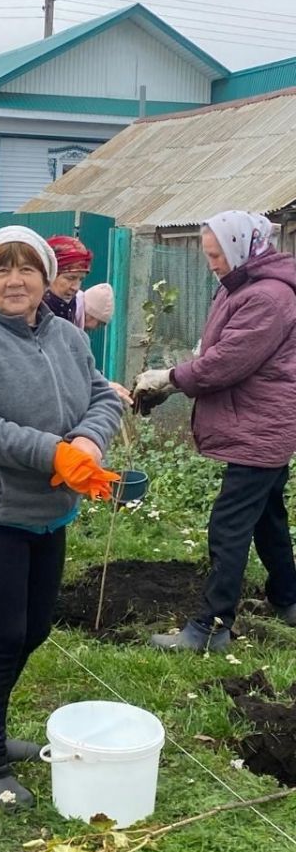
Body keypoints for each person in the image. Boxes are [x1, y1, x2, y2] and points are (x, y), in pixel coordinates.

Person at [0, 225, 121, 807]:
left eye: (27, 269)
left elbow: (104, 396)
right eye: (1, 270)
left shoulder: (68, 336)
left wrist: (88, 443)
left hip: (47, 510)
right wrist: (54, 452)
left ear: (45, 277)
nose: (15, 281)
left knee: (35, 628)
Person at [134, 211, 296, 651]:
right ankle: (289, 599)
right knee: (267, 517)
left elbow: (226, 363)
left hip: (260, 426)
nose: (212, 263)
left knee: (229, 525)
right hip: (259, 421)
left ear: (244, 247)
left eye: (217, 254)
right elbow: (216, 351)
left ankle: (212, 627)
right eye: (208, 255)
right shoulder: (241, 286)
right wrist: (177, 379)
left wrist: (170, 378)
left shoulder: (268, 298)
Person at [43, 234, 92, 326]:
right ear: (50, 273)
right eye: (71, 278)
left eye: (80, 279)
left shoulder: (73, 307)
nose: (76, 287)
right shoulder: (29, 312)